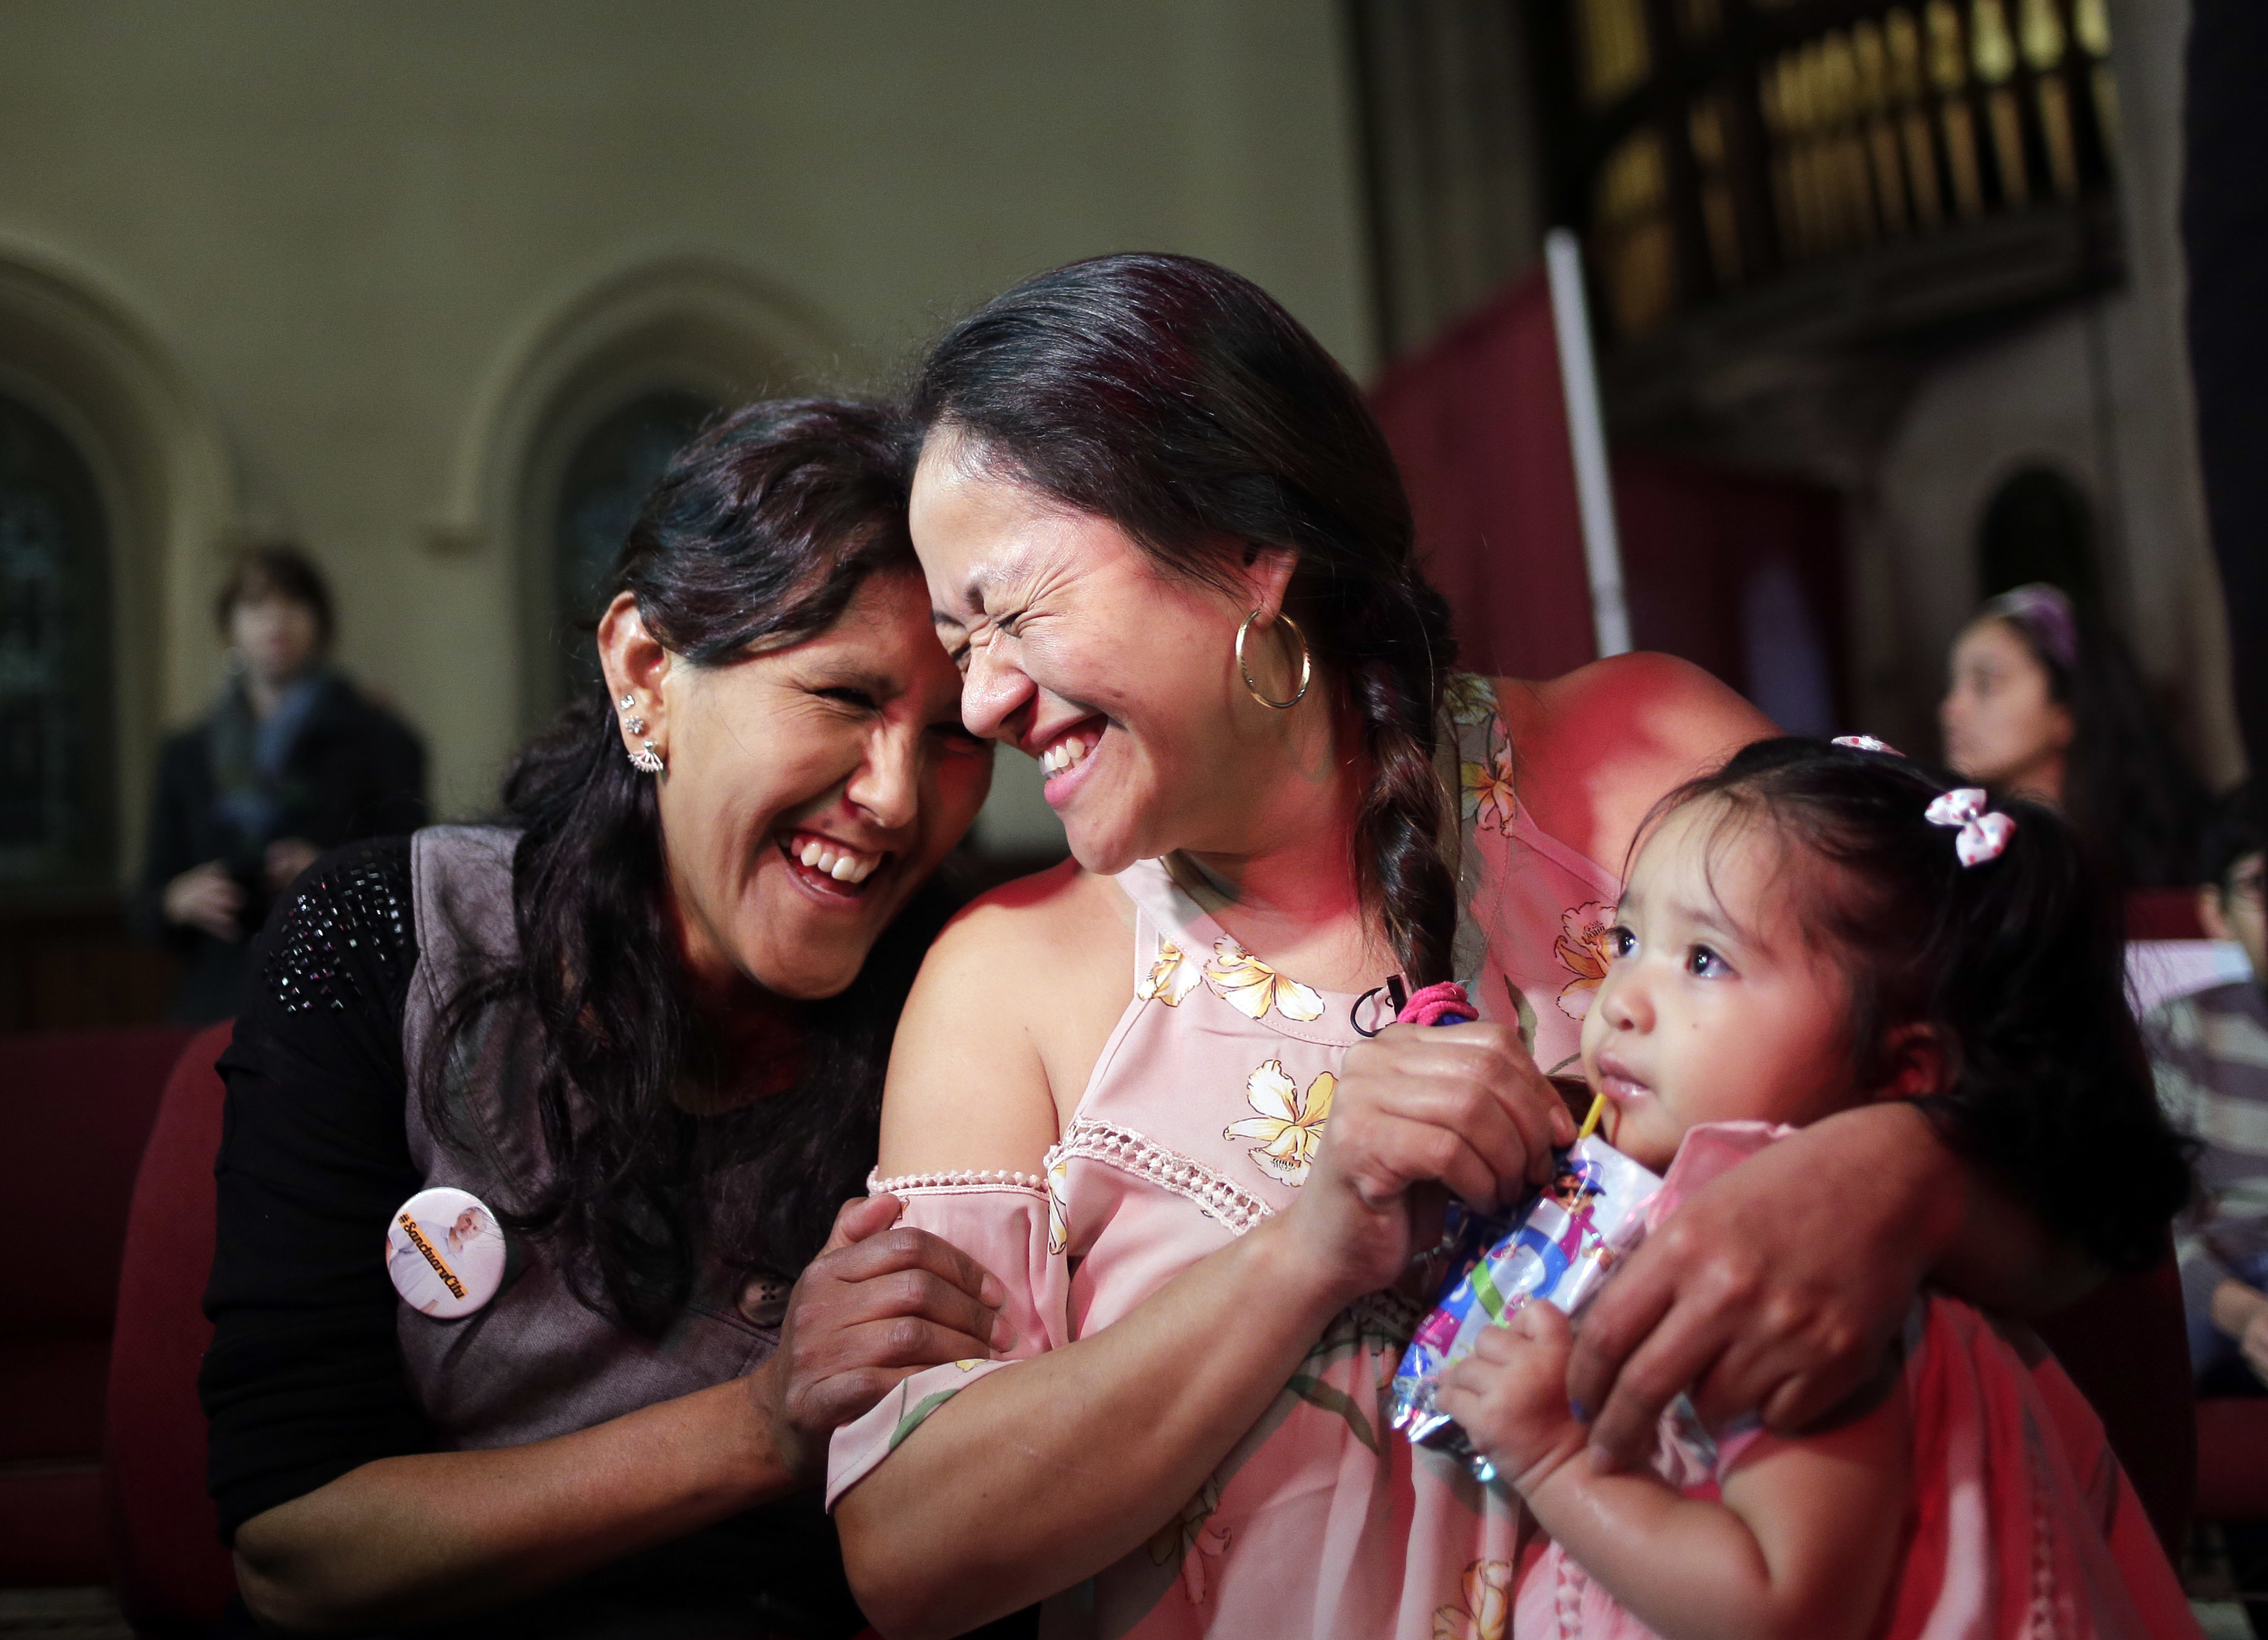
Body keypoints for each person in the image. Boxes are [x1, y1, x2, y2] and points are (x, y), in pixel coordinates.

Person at [827, 254, 2123, 1639]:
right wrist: (1305, 1249)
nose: (984, 698)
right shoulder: (1004, 982)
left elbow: (2091, 1164)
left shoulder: (1647, 778)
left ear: (1245, 547)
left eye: (1014, 612)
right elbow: (908, 1552)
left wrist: (1891, 1174)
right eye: (960, 639)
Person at [203, 401, 1017, 1639]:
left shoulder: (972, 1011)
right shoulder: (391, 938)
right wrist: (758, 1421)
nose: (897, 797)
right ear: (647, 673)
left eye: (956, 737)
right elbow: (294, 1550)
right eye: (844, 696)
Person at [1434, 737, 2191, 1639]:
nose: (1622, 998)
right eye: (1627, 940)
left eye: (1704, 961)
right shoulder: (1683, 1205)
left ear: (1901, 1068)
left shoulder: (1798, 1271)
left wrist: (1557, 1463)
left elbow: (1783, 1603)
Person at [133, 544, 428, 1022]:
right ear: (229, 626)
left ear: (320, 621)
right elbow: (148, 896)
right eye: (255, 604)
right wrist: (177, 900)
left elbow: (414, 868)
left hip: (338, 995)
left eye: (293, 602)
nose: (276, 619)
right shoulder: (188, 753)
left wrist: (332, 874)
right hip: (218, 997)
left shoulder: (375, 736)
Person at [1939, 580, 2207, 890]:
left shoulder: (2176, 862)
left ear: (2066, 709)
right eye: (1953, 686)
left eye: (1986, 684)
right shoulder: (1959, 868)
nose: (1951, 709)